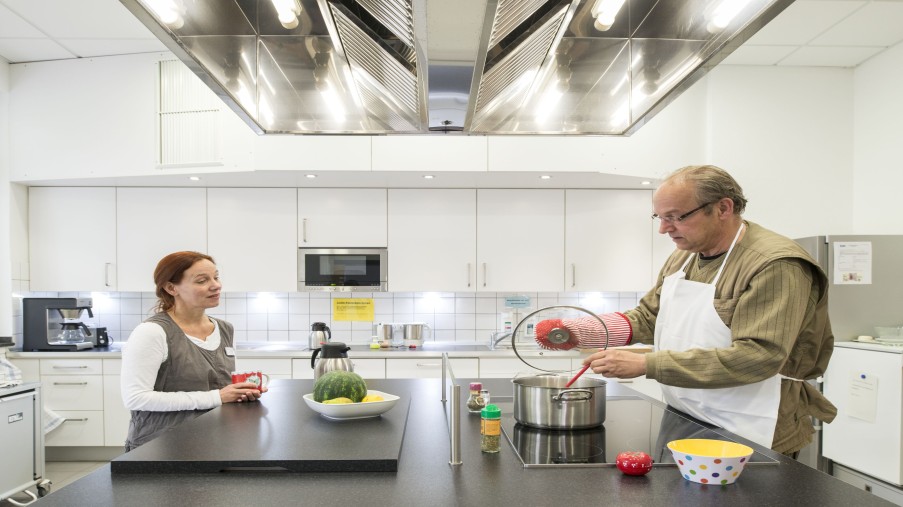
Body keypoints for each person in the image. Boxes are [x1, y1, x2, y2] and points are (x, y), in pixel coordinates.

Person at [535, 165, 836, 456]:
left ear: (723, 208)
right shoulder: (684, 257)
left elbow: (758, 356)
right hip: (688, 415)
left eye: (676, 217)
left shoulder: (774, 264)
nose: (665, 229)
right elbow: (650, 317)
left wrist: (647, 365)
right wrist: (579, 331)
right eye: (660, 217)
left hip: (751, 428)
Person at [121, 251, 267, 451]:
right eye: (202, 280)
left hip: (214, 441)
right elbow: (136, 397)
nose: (216, 285)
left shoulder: (224, 328)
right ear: (171, 288)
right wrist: (218, 396)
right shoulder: (152, 332)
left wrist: (240, 392)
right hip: (160, 447)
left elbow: (218, 387)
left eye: (216, 277)